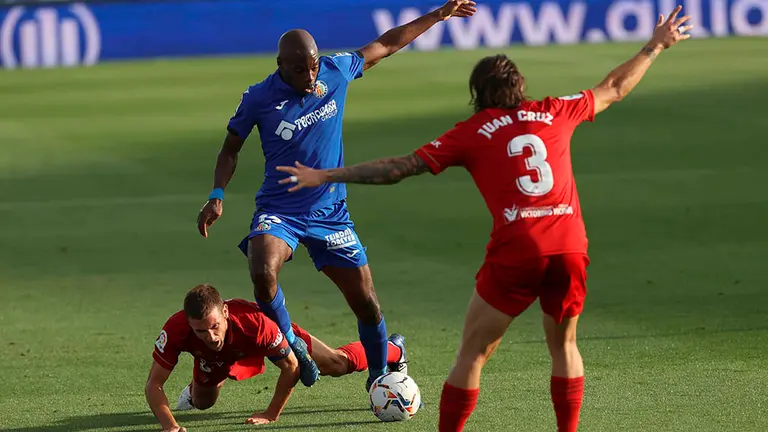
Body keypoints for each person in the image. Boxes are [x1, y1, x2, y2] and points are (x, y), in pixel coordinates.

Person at [274, 7, 693, 431]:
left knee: (473, 353)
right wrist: (656, 44)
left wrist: (327, 174)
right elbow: (615, 88)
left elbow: (400, 167)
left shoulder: (474, 131)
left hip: (519, 250)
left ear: (478, 95)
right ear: (521, 88)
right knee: (565, 346)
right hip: (569, 245)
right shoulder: (556, 111)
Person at [195, 1, 477, 390]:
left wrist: (438, 15)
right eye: (300, 69)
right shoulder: (259, 97)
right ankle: (292, 345)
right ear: (280, 64)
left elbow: (386, 44)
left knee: (366, 302)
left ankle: (380, 376)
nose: (310, 75)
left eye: (313, 65)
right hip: (280, 209)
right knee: (262, 271)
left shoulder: (336, 69)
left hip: (331, 213)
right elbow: (230, 148)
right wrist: (216, 193)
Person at [145, 284, 408, 432]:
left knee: (336, 364)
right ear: (189, 324)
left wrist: (271, 413)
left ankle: (393, 348)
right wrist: (170, 426)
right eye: (200, 331)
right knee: (202, 402)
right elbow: (154, 383)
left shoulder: (257, 324)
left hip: (266, 338)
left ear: (225, 312)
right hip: (217, 357)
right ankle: (205, 379)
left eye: (215, 326)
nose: (210, 335)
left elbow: (290, 367)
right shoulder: (176, 328)